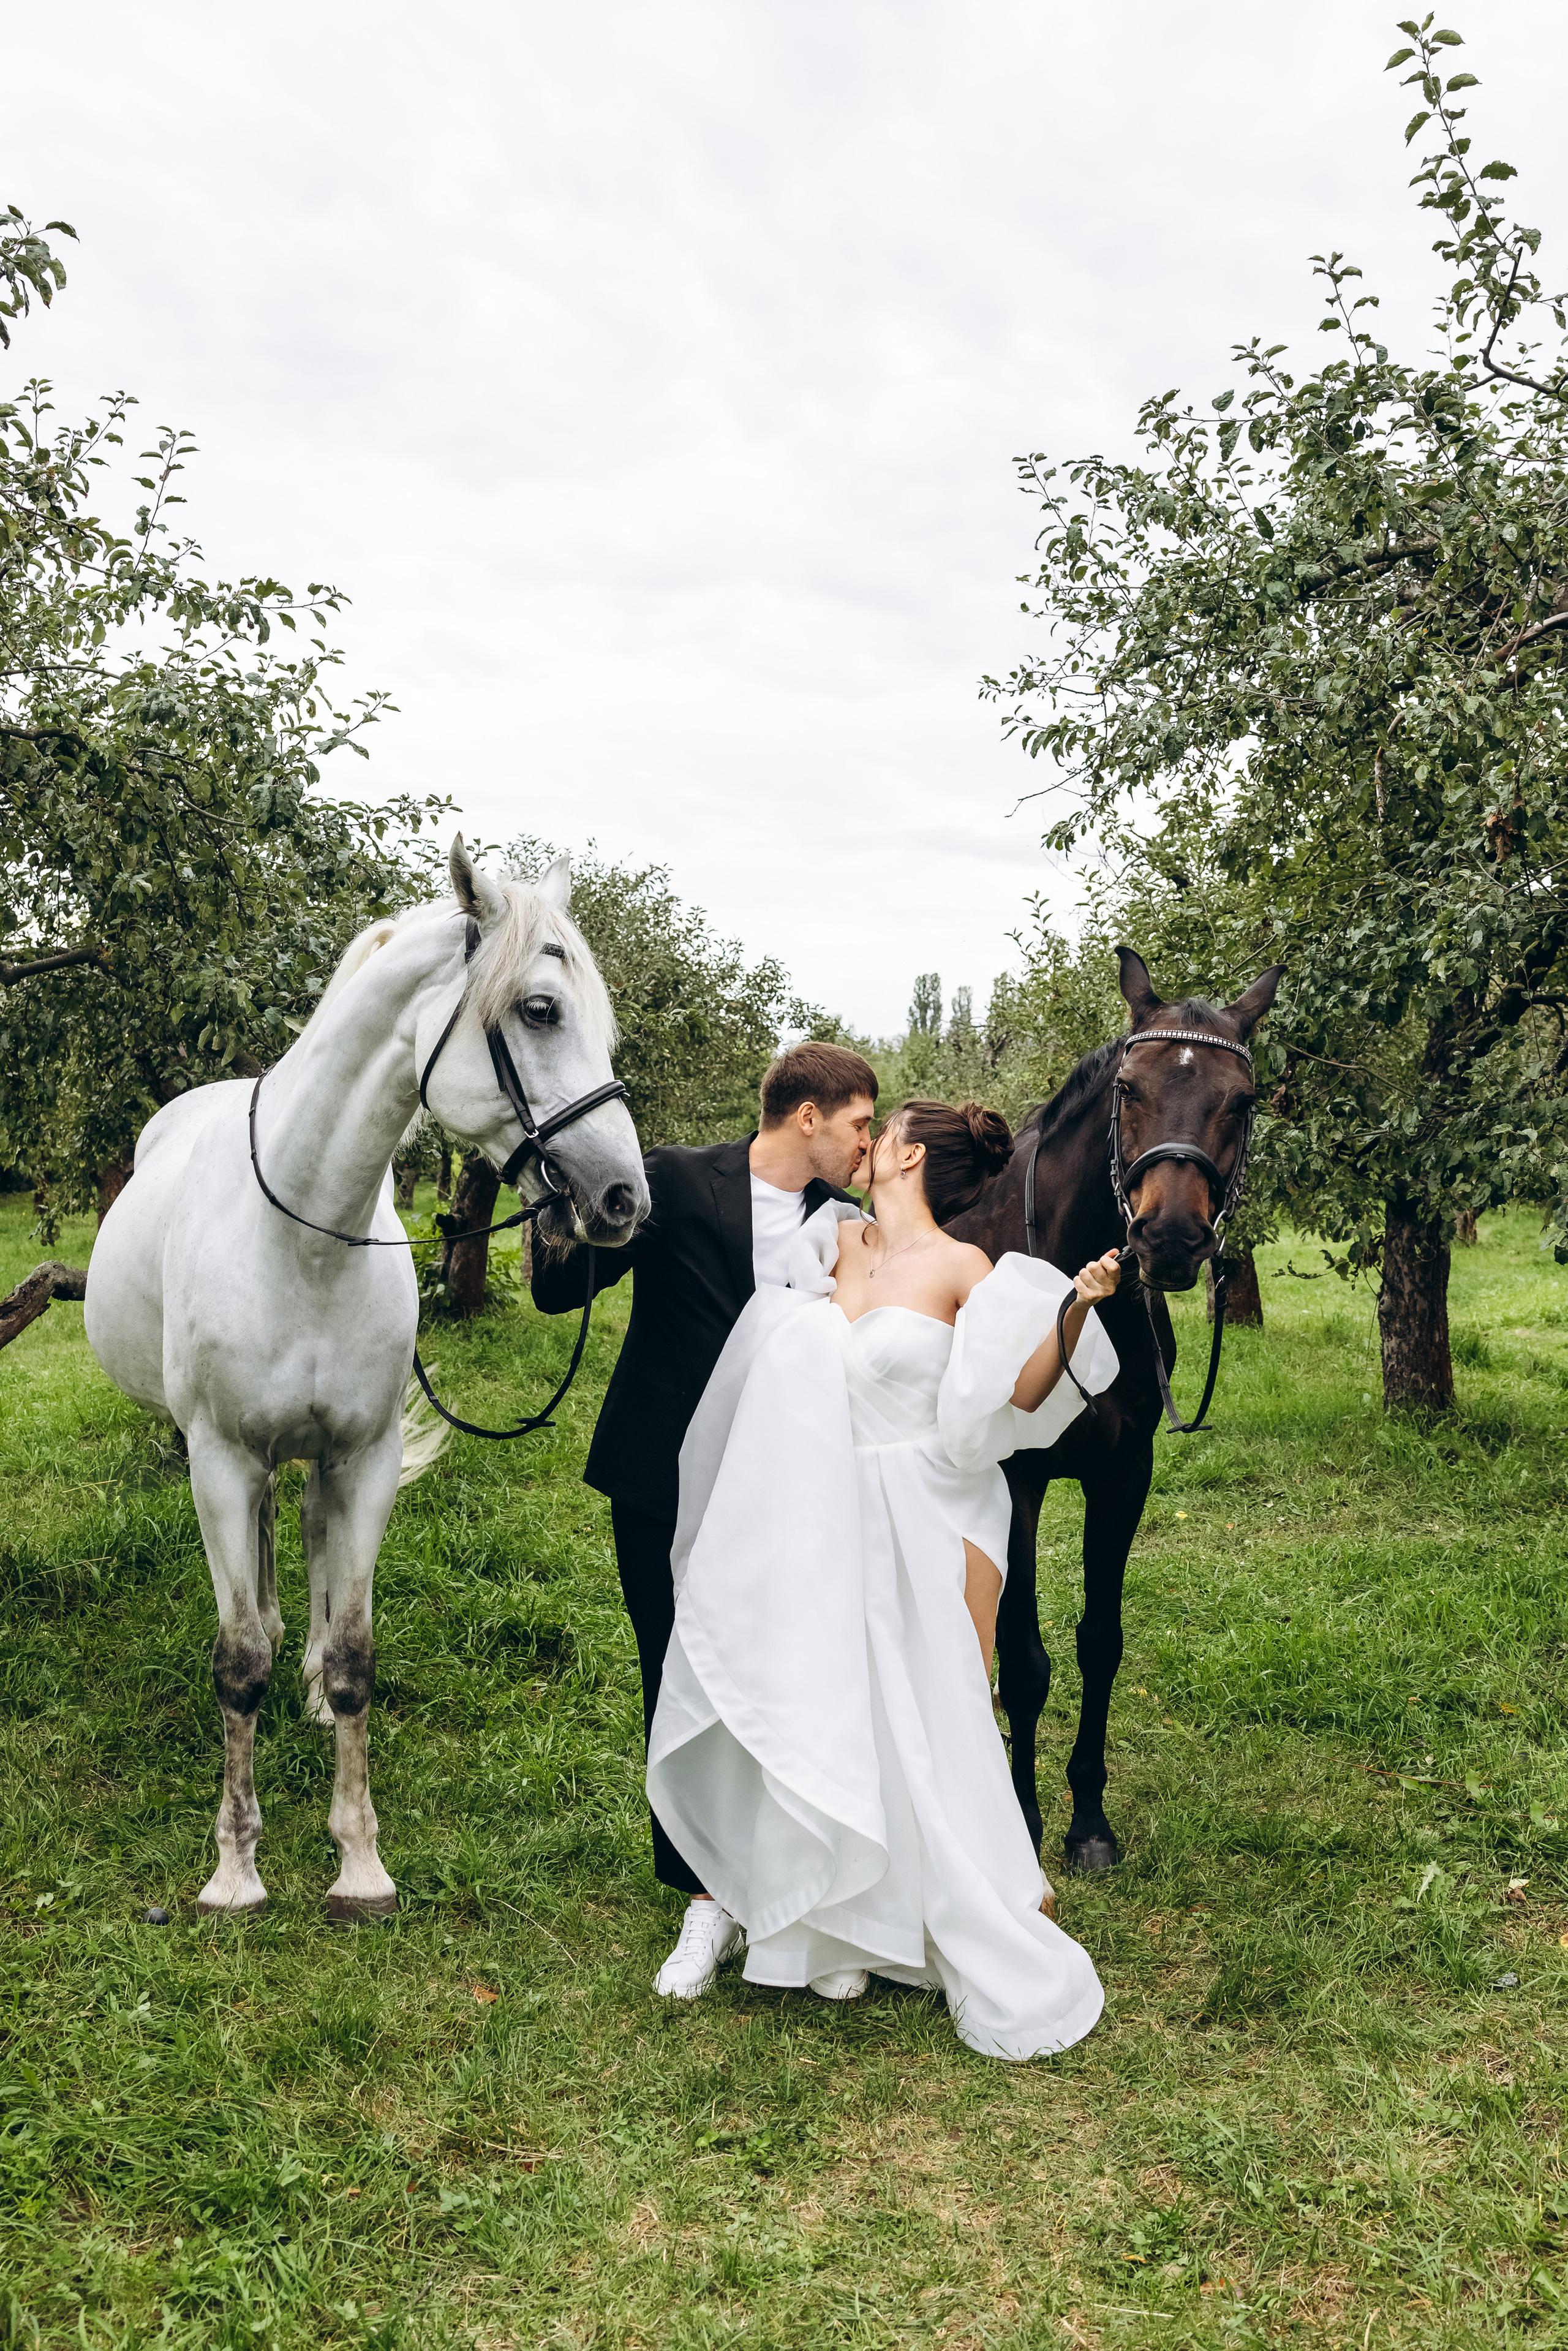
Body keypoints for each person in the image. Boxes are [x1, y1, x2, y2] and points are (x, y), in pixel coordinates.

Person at [646, 1098, 1123, 2060]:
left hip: (929, 1503)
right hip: (827, 1503)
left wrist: (1076, 1306)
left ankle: (957, 1901)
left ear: (907, 1153)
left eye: (882, 1131)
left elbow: (1016, 1393)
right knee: (838, 1708)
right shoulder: (836, 1242)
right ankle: (835, 1920)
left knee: (929, 1714)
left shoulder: (965, 1266)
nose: (866, 1145)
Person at [529, 1039, 877, 1996]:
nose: (867, 1142)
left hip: (785, 1496)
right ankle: (701, 1902)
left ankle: (795, 1903)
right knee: (674, 1677)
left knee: (785, 1682)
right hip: (661, 1479)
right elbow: (558, 1289)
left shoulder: (848, 1221)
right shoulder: (677, 1180)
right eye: (858, 1123)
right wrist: (553, 1200)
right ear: (808, 1116)